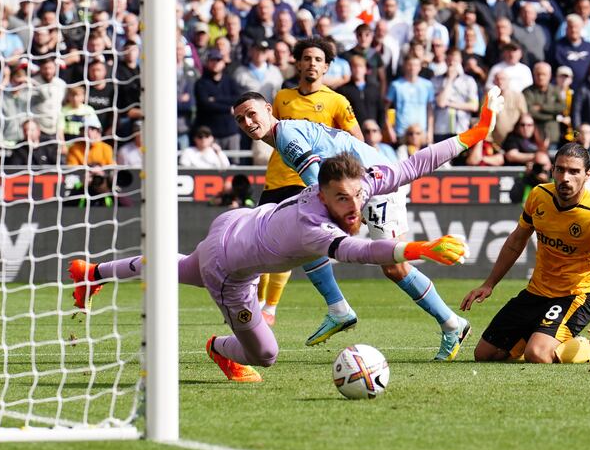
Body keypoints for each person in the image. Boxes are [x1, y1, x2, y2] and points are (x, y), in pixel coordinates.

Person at [67, 107, 503, 382]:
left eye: (356, 197)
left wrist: (477, 131)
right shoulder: (313, 227)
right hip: (229, 267)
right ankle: (219, 348)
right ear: (323, 193)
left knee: (179, 267)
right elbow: (359, 252)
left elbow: (414, 163)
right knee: (267, 353)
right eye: (340, 200)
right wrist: (418, 249)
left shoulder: (359, 183)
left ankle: (92, 274)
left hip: (235, 222)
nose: (352, 207)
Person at [232, 91, 503, 359]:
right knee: (311, 241)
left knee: (394, 267)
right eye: (240, 119)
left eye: (251, 113)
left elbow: (317, 183)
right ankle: (339, 309)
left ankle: (452, 324)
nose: (247, 122)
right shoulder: (286, 135)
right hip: (361, 186)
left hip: (374, 188)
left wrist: (339, 210)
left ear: (269, 109)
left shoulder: (287, 136)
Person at [460, 143, 590, 365]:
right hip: (536, 292)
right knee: (484, 355)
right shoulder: (539, 196)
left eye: (574, 171)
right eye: (560, 170)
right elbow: (515, 242)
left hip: (576, 296)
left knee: (537, 354)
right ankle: (543, 338)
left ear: (588, 175)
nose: (565, 178)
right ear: (552, 171)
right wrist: (489, 284)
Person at [258, 37, 364, 328]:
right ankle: (258, 304)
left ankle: (269, 307)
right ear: (298, 62)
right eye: (307, 58)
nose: (312, 64)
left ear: (327, 66)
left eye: (318, 60)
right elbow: (270, 133)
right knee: (259, 243)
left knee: (289, 246)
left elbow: (357, 141)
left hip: (308, 184)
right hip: (275, 179)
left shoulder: (337, 101)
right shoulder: (282, 98)